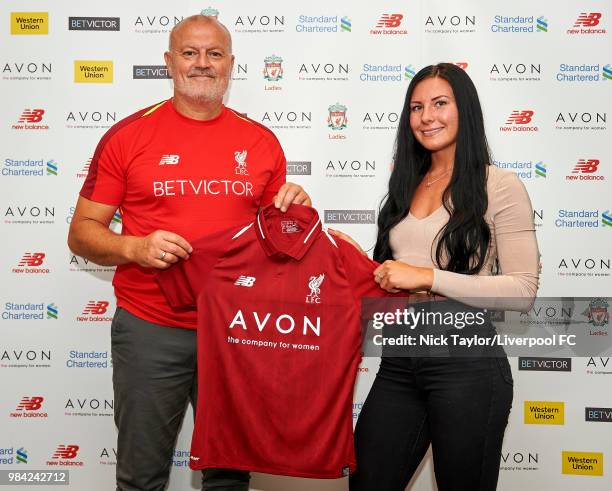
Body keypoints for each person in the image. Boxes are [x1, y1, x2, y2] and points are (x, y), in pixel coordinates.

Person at [67, 14, 310, 491]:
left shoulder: (261, 142)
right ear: (169, 62)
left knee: (228, 476)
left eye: (214, 54)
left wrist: (294, 210)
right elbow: (81, 234)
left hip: (237, 333)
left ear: (231, 64)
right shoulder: (128, 136)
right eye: (190, 52)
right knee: (141, 476)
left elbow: (279, 245)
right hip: (151, 329)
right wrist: (134, 247)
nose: (202, 64)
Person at [339, 63, 539, 490]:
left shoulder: (499, 185)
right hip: (399, 359)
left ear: (465, 109)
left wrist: (428, 277)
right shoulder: (405, 184)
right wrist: (346, 260)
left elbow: (522, 290)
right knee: (366, 482)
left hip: (467, 362)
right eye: (416, 107)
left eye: (439, 103)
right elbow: (392, 275)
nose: (426, 116)